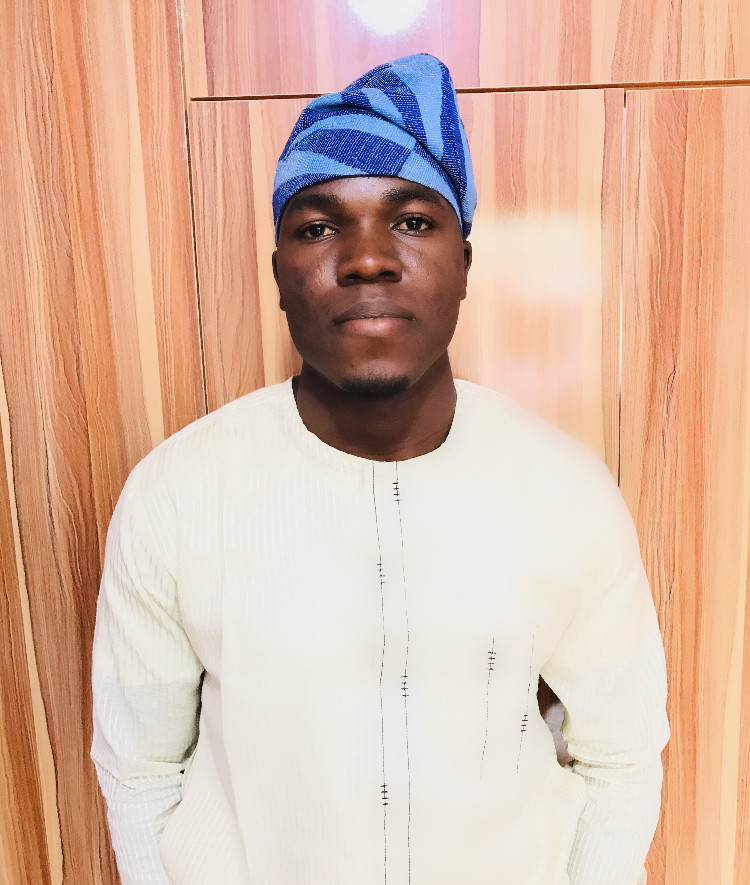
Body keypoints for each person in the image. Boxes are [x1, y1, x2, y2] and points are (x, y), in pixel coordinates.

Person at [91, 53, 669, 885]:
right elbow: (140, 769)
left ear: (464, 263)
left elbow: (622, 755)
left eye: (412, 220)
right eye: (319, 228)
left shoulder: (566, 492)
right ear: (279, 274)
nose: (367, 259)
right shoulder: (176, 495)